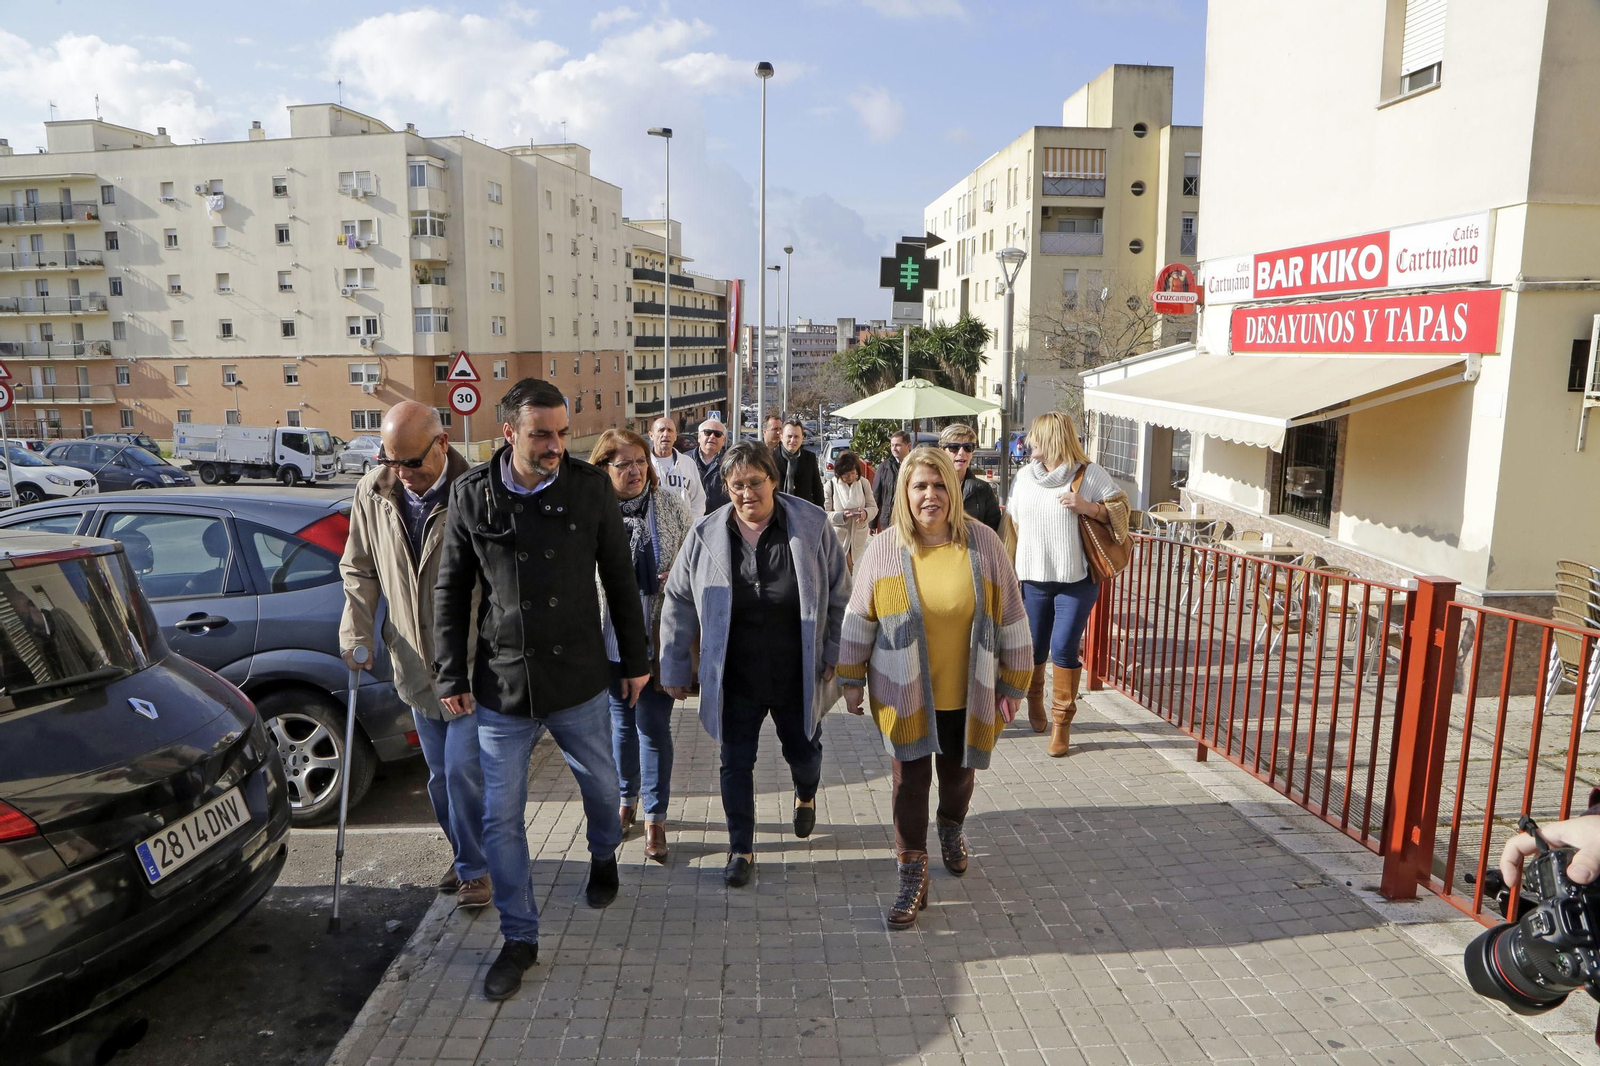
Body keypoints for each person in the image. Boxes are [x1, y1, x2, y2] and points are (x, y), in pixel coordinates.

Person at [434, 377, 651, 1002]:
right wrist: (450, 673)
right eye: (541, 435)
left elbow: (619, 576)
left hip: (579, 677)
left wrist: (635, 660)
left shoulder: (589, 488)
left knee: (603, 788)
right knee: (500, 817)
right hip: (503, 685)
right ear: (509, 433)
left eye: (561, 433)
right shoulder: (472, 495)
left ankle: (604, 853)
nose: (556, 445)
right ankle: (519, 938)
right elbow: (452, 590)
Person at [837, 447, 1032, 929]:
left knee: (959, 777)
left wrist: (1014, 683)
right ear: (905, 492)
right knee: (909, 782)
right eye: (920, 486)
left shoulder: (984, 542)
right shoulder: (884, 548)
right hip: (903, 692)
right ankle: (911, 872)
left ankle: (950, 826)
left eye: (940, 485)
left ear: (954, 490)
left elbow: (1012, 615)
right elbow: (859, 617)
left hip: (970, 693)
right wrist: (850, 679)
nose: (930, 495)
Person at [660, 441, 850, 888]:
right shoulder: (706, 534)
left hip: (796, 670)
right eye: (736, 485)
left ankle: (806, 793)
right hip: (735, 674)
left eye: (755, 482)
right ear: (726, 488)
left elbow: (842, 594)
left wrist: (836, 651)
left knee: (803, 752)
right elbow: (679, 599)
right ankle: (741, 848)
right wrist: (674, 665)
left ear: (774, 480)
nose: (746, 493)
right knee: (734, 762)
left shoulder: (811, 524)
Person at [339, 402, 488, 905]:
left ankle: (476, 869)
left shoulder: (476, 490)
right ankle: (466, 854)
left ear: (442, 443)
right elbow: (359, 568)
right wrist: (355, 632)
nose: (401, 472)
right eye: (390, 460)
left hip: (471, 663)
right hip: (414, 664)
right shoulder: (372, 491)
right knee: (441, 776)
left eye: (411, 462)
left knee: (464, 771)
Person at [589, 429, 691, 863]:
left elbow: (694, 559)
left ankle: (655, 818)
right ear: (603, 469)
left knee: (652, 726)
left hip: (659, 635)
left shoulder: (670, 505)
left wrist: (677, 577)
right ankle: (625, 800)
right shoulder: (591, 512)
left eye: (640, 462)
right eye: (624, 464)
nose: (635, 471)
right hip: (610, 638)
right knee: (620, 726)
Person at [1008, 411, 1129, 751]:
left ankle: (1061, 723)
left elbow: (1122, 511)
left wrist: (1088, 507)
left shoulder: (1088, 474)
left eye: (1035, 435)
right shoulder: (1024, 477)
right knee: (1034, 648)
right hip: (1033, 579)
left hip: (1077, 581)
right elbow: (1013, 525)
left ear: (1052, 439)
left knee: (1062, 647)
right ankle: (1034, 697)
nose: (1028, 441)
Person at [939, 424, 1001, 532]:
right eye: (954, 447)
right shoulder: (930, 486)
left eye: (968, 447)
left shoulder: (983, 490)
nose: (961, 453)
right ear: (942, 451)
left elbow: (993, 530)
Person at [822, 450, 877, 572]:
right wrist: (842, 516)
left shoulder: (863, 483)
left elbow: (873, 508)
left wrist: (865, 513)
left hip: (858, 537)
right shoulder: (830, 486)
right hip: (838, 538)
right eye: (846, 475)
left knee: (852, 572)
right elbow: (824, 514)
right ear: (839, 473)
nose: (850, 477)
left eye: (853, 473)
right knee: (843, 573)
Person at [647, 415, 706, 522]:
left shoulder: (688, 464)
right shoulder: (644, 465)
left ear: (675, 436)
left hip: (684, 529)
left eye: (670, 430)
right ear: (651, 435)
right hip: (653, 528)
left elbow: (698, 501)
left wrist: (691, 524)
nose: (666, 434)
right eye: (661, 430)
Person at [772, 417, 825, 507]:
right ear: (781, 437)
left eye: (796, 437)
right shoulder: (771, 459)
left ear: (802, 438)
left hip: (803, 511)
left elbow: (817, 489)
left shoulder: (810, 458)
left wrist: (819, 511)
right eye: (789, 436)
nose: (793, 440)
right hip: (777, 510)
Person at [872, 430, 913, 533]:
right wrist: (872, 523)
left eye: (898, 445)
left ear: (908, 445)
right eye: (892, 445)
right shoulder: (884, 467)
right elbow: (876, 495)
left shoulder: (915, 466)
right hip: (888, 521)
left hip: (910, 520)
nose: (894, 448)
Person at [691, 417, 730, 513]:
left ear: (723, 440)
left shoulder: (731, 463)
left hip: (720, 518)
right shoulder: (684, 461)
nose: (712, 437)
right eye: (707, 432)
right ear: (699, 437)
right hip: (691, 519)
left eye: (717, 434)